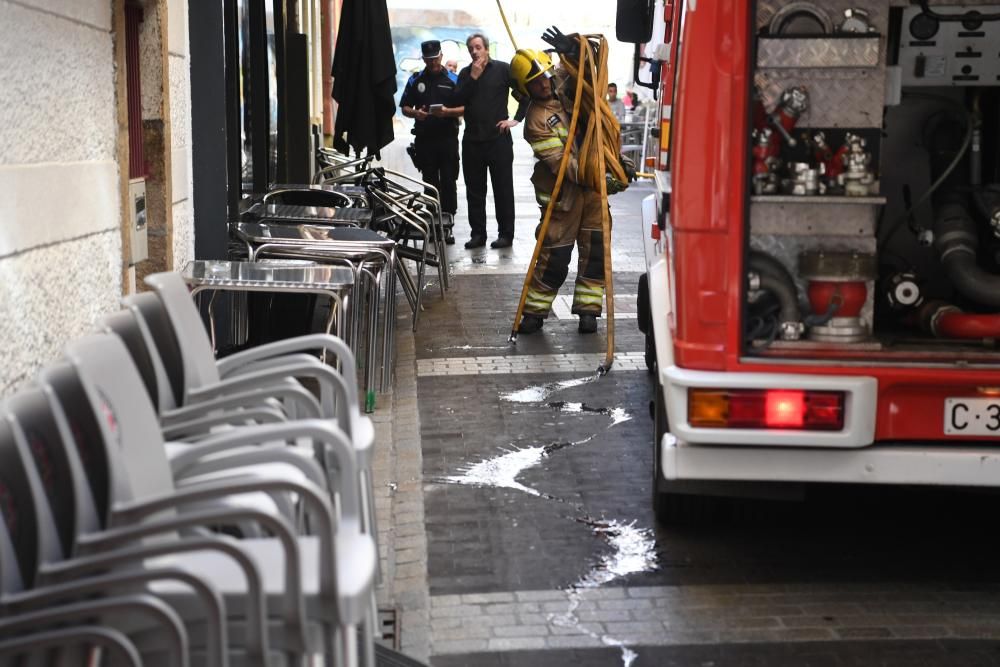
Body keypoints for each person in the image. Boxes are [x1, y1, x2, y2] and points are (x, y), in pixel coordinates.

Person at [510, 47, 609, 335]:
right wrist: (603, 172)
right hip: (563, 199)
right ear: (524, 88)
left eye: (544, 76)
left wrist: (575, 50)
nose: (543, 84)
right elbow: (564, 165)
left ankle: (589, 312)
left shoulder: (566, 84)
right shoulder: (536, 122)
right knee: (554, 258)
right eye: (535, 82)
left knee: (595, 254)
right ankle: (534, 313)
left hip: (592, 196)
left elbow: (594, 68)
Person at [452, 33, 520, 249]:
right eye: (471, 48)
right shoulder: (465, 73)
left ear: (486, 49)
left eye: (478, 47)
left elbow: (525, 94)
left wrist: (516, 120)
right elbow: (456, 100)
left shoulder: (502, 69)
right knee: (474, 191)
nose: (474, 51)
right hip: (472, 141)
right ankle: (478, 234)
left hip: (498, 140)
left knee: (502, 189)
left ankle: (506, 234)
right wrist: (473, 77)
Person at [399, 40, 463, 242]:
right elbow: (404, 107)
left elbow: (465, 107)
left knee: (449, 181)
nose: (433, 63)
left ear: (441, 56)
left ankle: (448, 224)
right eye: (428, 60)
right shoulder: (415, 80)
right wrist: (416, 113)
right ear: (423, 59)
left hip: (447, 138)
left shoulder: (454, 79)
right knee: (430, 182)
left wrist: (447, 113)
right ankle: (434, 225)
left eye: (435, 59)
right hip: (425, 139)